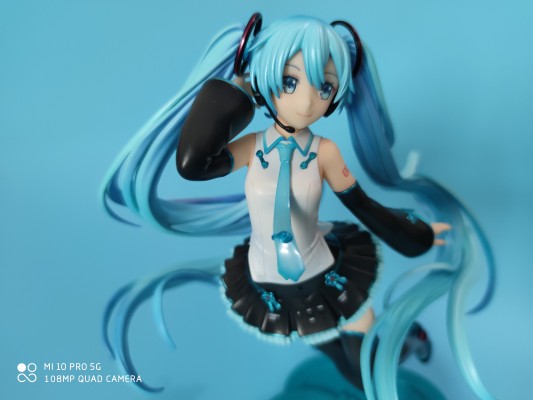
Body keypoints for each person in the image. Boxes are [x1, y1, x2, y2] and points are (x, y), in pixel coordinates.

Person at [101, 14, 495, 399]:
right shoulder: (252, 147)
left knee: (365, 372)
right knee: (334, 356)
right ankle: (386, 346)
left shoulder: (325, 152)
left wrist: (416, 234)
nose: (307, 102)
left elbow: (361, 204)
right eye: (290, 81)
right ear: (267, 80)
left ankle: (410, 342)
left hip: (328, 275)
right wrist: (236, 90)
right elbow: (193, 164)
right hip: (270, 282)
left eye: (325, 87)